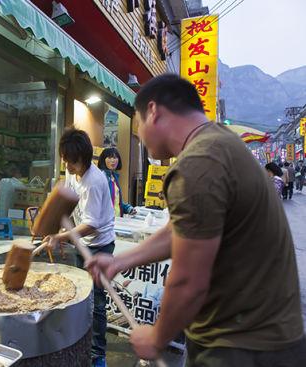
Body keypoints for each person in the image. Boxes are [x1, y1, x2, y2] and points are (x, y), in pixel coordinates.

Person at [86, 74, 305, 366]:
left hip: (242, 346)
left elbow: (188, 279)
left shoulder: (198, 164)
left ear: (153, 111)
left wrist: (157, 337)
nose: (137, 132)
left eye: (137, 121)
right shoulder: (219, 143)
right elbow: (182, 231)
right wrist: (119, 262)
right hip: (264, 337)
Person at [45, 128, 115, 367]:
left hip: (100, 245)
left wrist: (62, 237)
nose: (68, 166)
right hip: (81, 242)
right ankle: (79, 343)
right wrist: (63, 235)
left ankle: (98, 355)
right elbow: (70, 205)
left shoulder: (95, 182)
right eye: (65, 160)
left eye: (72, 161)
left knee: (96, 300)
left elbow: (92, 225)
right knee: (81, 295)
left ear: (84, 157)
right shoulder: (71, 170)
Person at [97, 147, 137, 216]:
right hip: (106, 221)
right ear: (103, 160)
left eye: (115, 158)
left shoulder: (114, 177)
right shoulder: (101, 177)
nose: (113, 160)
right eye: (109, 158)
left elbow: (116, 201)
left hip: (117, 219)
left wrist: (128, 208)